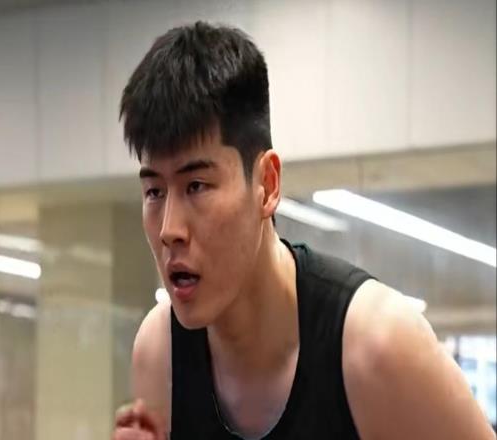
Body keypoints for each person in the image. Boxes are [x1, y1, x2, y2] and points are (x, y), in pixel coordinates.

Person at [112, 21, 495, 440]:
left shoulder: (377, 346)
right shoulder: (160, 352)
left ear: (267, 184)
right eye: (154, 192)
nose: (169, 230)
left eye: (197, 186)